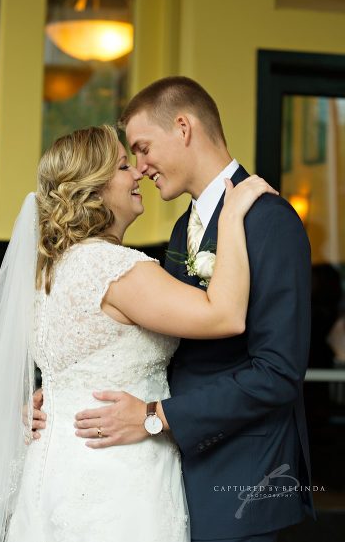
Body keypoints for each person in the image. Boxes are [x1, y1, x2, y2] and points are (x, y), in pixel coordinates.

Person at [0, 124, 277, 542]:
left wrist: (42, 400)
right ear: (93, 189)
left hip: (52, 474)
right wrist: (233, 214)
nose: (139, 174)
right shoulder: (115, 269)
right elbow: (225, 316)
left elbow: (67, 367)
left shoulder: (47, 273)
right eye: (125, 166)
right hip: (117, 474)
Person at [71, 76, 315, 541]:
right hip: (175, 478)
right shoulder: (185, 226)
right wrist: (70, 394)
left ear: (183, 127)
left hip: (242, 482)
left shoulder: (270, 220)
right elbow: (164, 345)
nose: (140, 168)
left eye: (143, 148)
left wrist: (159, 415)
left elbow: (278, 373)